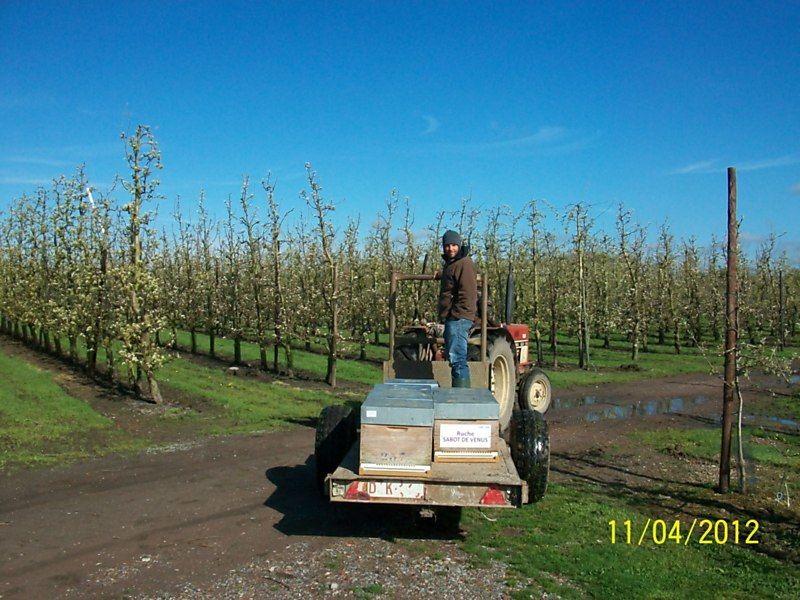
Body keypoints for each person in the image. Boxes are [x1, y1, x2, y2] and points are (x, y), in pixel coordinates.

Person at [436, 229, 477, 388]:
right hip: (454, 317)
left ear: (459, 245)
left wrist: (455, 315)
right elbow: (452, 280)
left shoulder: (465, 264)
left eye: (454, 245)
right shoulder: (453, 264)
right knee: (455, 358)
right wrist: (441, 274)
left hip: (459, 318)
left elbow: (467, 293)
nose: (450, 249)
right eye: (447, 245)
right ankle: (459, 394)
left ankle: (462, 397)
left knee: (458, 359)